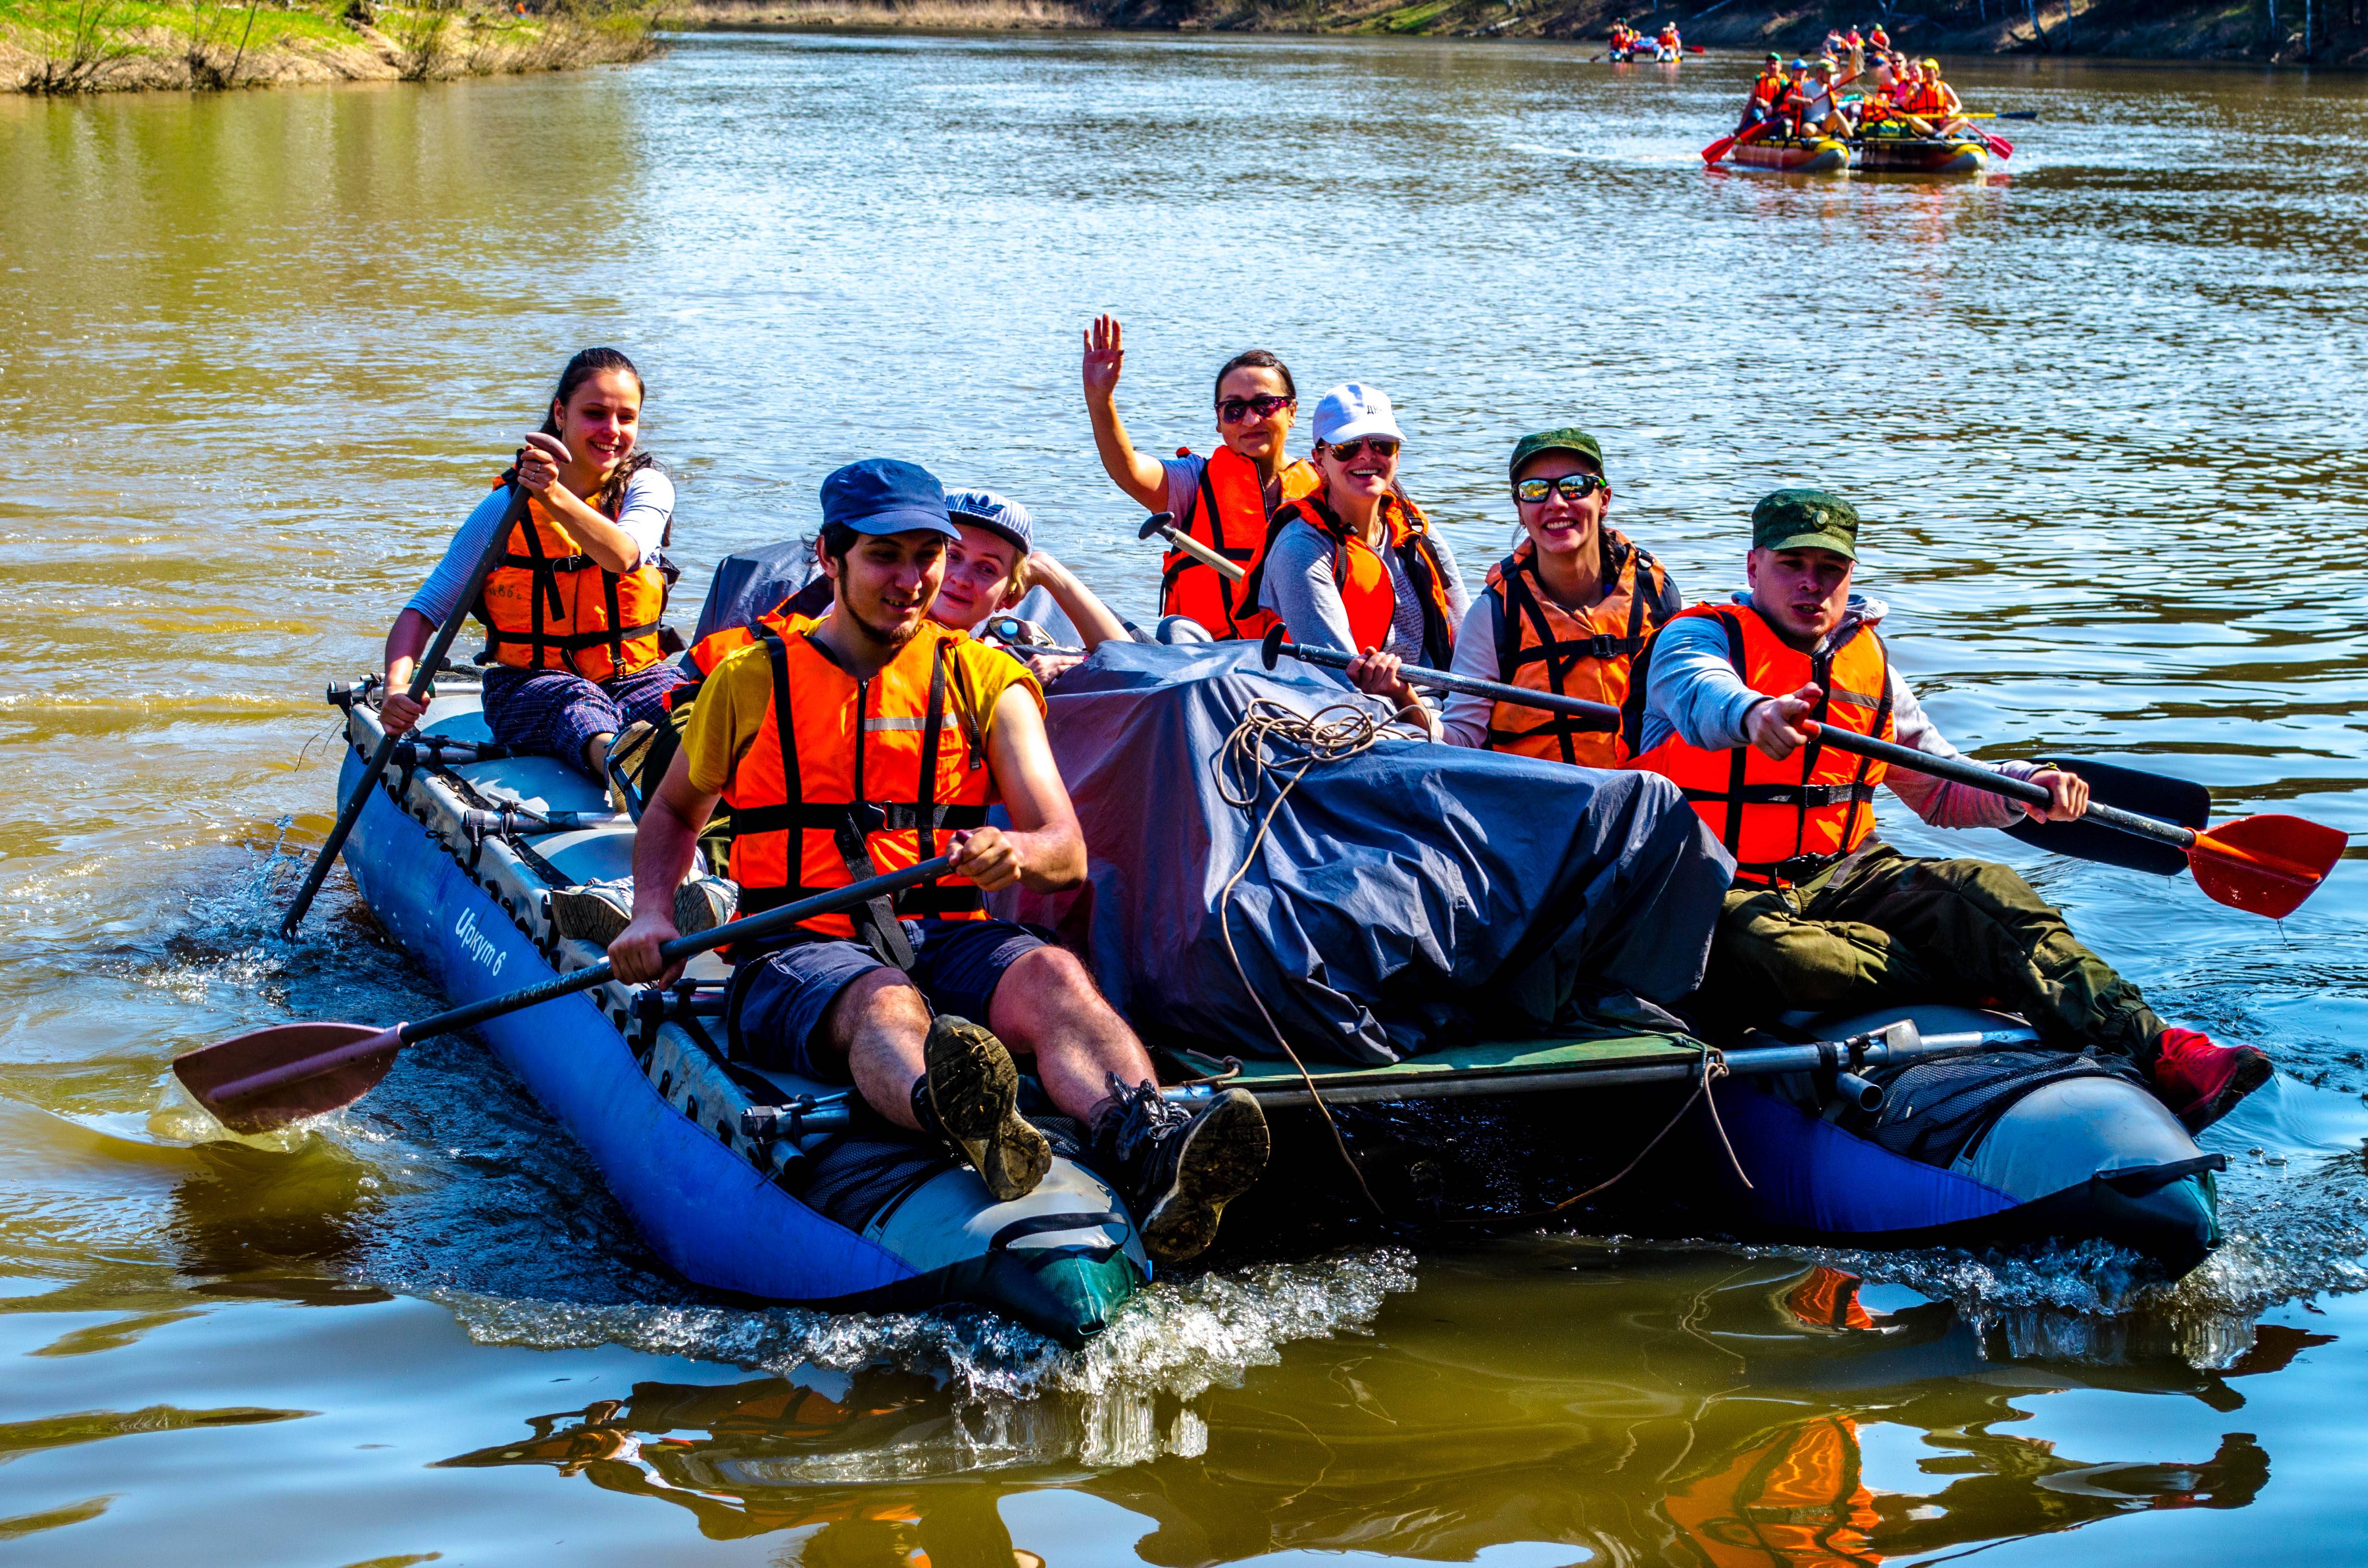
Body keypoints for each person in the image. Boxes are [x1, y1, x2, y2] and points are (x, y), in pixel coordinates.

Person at [608, 458, 1270, 1263]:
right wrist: (650, 907)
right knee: (882, 998)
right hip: (795, 947)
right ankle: (957, 1110)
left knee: (1055, 977)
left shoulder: (988, 678)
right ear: (831, 557)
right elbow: (677, 809)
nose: (911, 578)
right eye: (885, 555)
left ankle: (1146, 1137)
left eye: (927, 554)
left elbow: (1063, 852)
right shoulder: (752, 680)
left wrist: (1016, 850)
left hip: (945, 936)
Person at [1623, 488, 2272, 1132]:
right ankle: (1976, 967)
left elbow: (1941, 785)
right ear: (1754, 566)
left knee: (1989, 887)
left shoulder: (1870, 665)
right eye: (1793, 565)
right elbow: (1698, 694)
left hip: (1845, 874)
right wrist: (1753, 714)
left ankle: (2163, 1050)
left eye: (1831, 570)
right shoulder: (1698, 639)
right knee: (1764, 949)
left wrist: (2030, 788)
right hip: (1716, 884)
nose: (1812, 586)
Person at [380, 348, 683, 790]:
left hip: (635, 675)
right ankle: (625, 770)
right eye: (595, 414)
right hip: (529, 687)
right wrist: (396, 688)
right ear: (560, 413)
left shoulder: (648, 487)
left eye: (626, 418)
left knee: (694, 710)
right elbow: (426, 609)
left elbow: (624, 555)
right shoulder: (505, 508)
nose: (612, 432)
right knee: (575, 703)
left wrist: (553, 493)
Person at [1434, 429, 1680, 766]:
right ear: (1520, 510)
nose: (1556, 504)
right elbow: (1461, 738)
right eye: (1535, 491)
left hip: (1643, 800)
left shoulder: (1656, 595)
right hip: (1539, 805)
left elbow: (1684, 712)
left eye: (1574, 486)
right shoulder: (1494, 615)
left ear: (1604, 499)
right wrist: (1406, 704)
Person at [1235, 383, 1467, 728]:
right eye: (1347, 447)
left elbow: (1466, 642)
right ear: (1320, 460)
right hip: (1352, 717)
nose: (1366, 456)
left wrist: (1472, 715)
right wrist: (1407, 700)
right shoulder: (1301, 549)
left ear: (1397, 454)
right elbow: (1338, 684)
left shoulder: (1417, 530)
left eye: (1382, 445)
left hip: (1442, 709)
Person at [1081, 314, 1320, 640]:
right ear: (1219, 421)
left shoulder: (1328, 486)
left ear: (1292, 412)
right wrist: (1100, 399)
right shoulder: (1194, 481)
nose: (1250, 420)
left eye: (1265, 405)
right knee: (1175, 630)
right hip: (1209, 659)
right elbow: (1129, 471)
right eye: (1234, 410)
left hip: (1301, 658)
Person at [1902, 57, 1970, 137]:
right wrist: (1911, 88)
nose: (1927, 72)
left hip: (1941, 124)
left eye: (1929, 70)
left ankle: (1943, 134)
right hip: (1924, 124)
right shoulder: (1919, 86)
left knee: (1964, 119)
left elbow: (1958, 105)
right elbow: (1908, 95)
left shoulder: (1944, 86)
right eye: (1925, 70)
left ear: (1936, 72)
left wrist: (1952, 113)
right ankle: (1936, 134)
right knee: (1913, 119)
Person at [1739, 53, 1789, 132]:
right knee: (1755, 111)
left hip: (1777, 115)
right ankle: (1753, 130)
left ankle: (1764, 129)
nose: (1772, 66)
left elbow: (1784, 107)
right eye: (1770, 64)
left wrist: (1766, 104)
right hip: (1761, 114)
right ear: (1766, 66)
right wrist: (1741, 126)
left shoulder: (1785, 84)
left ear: (1780, 67)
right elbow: (1750, 104)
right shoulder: (1760, 81)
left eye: (1775, 64)